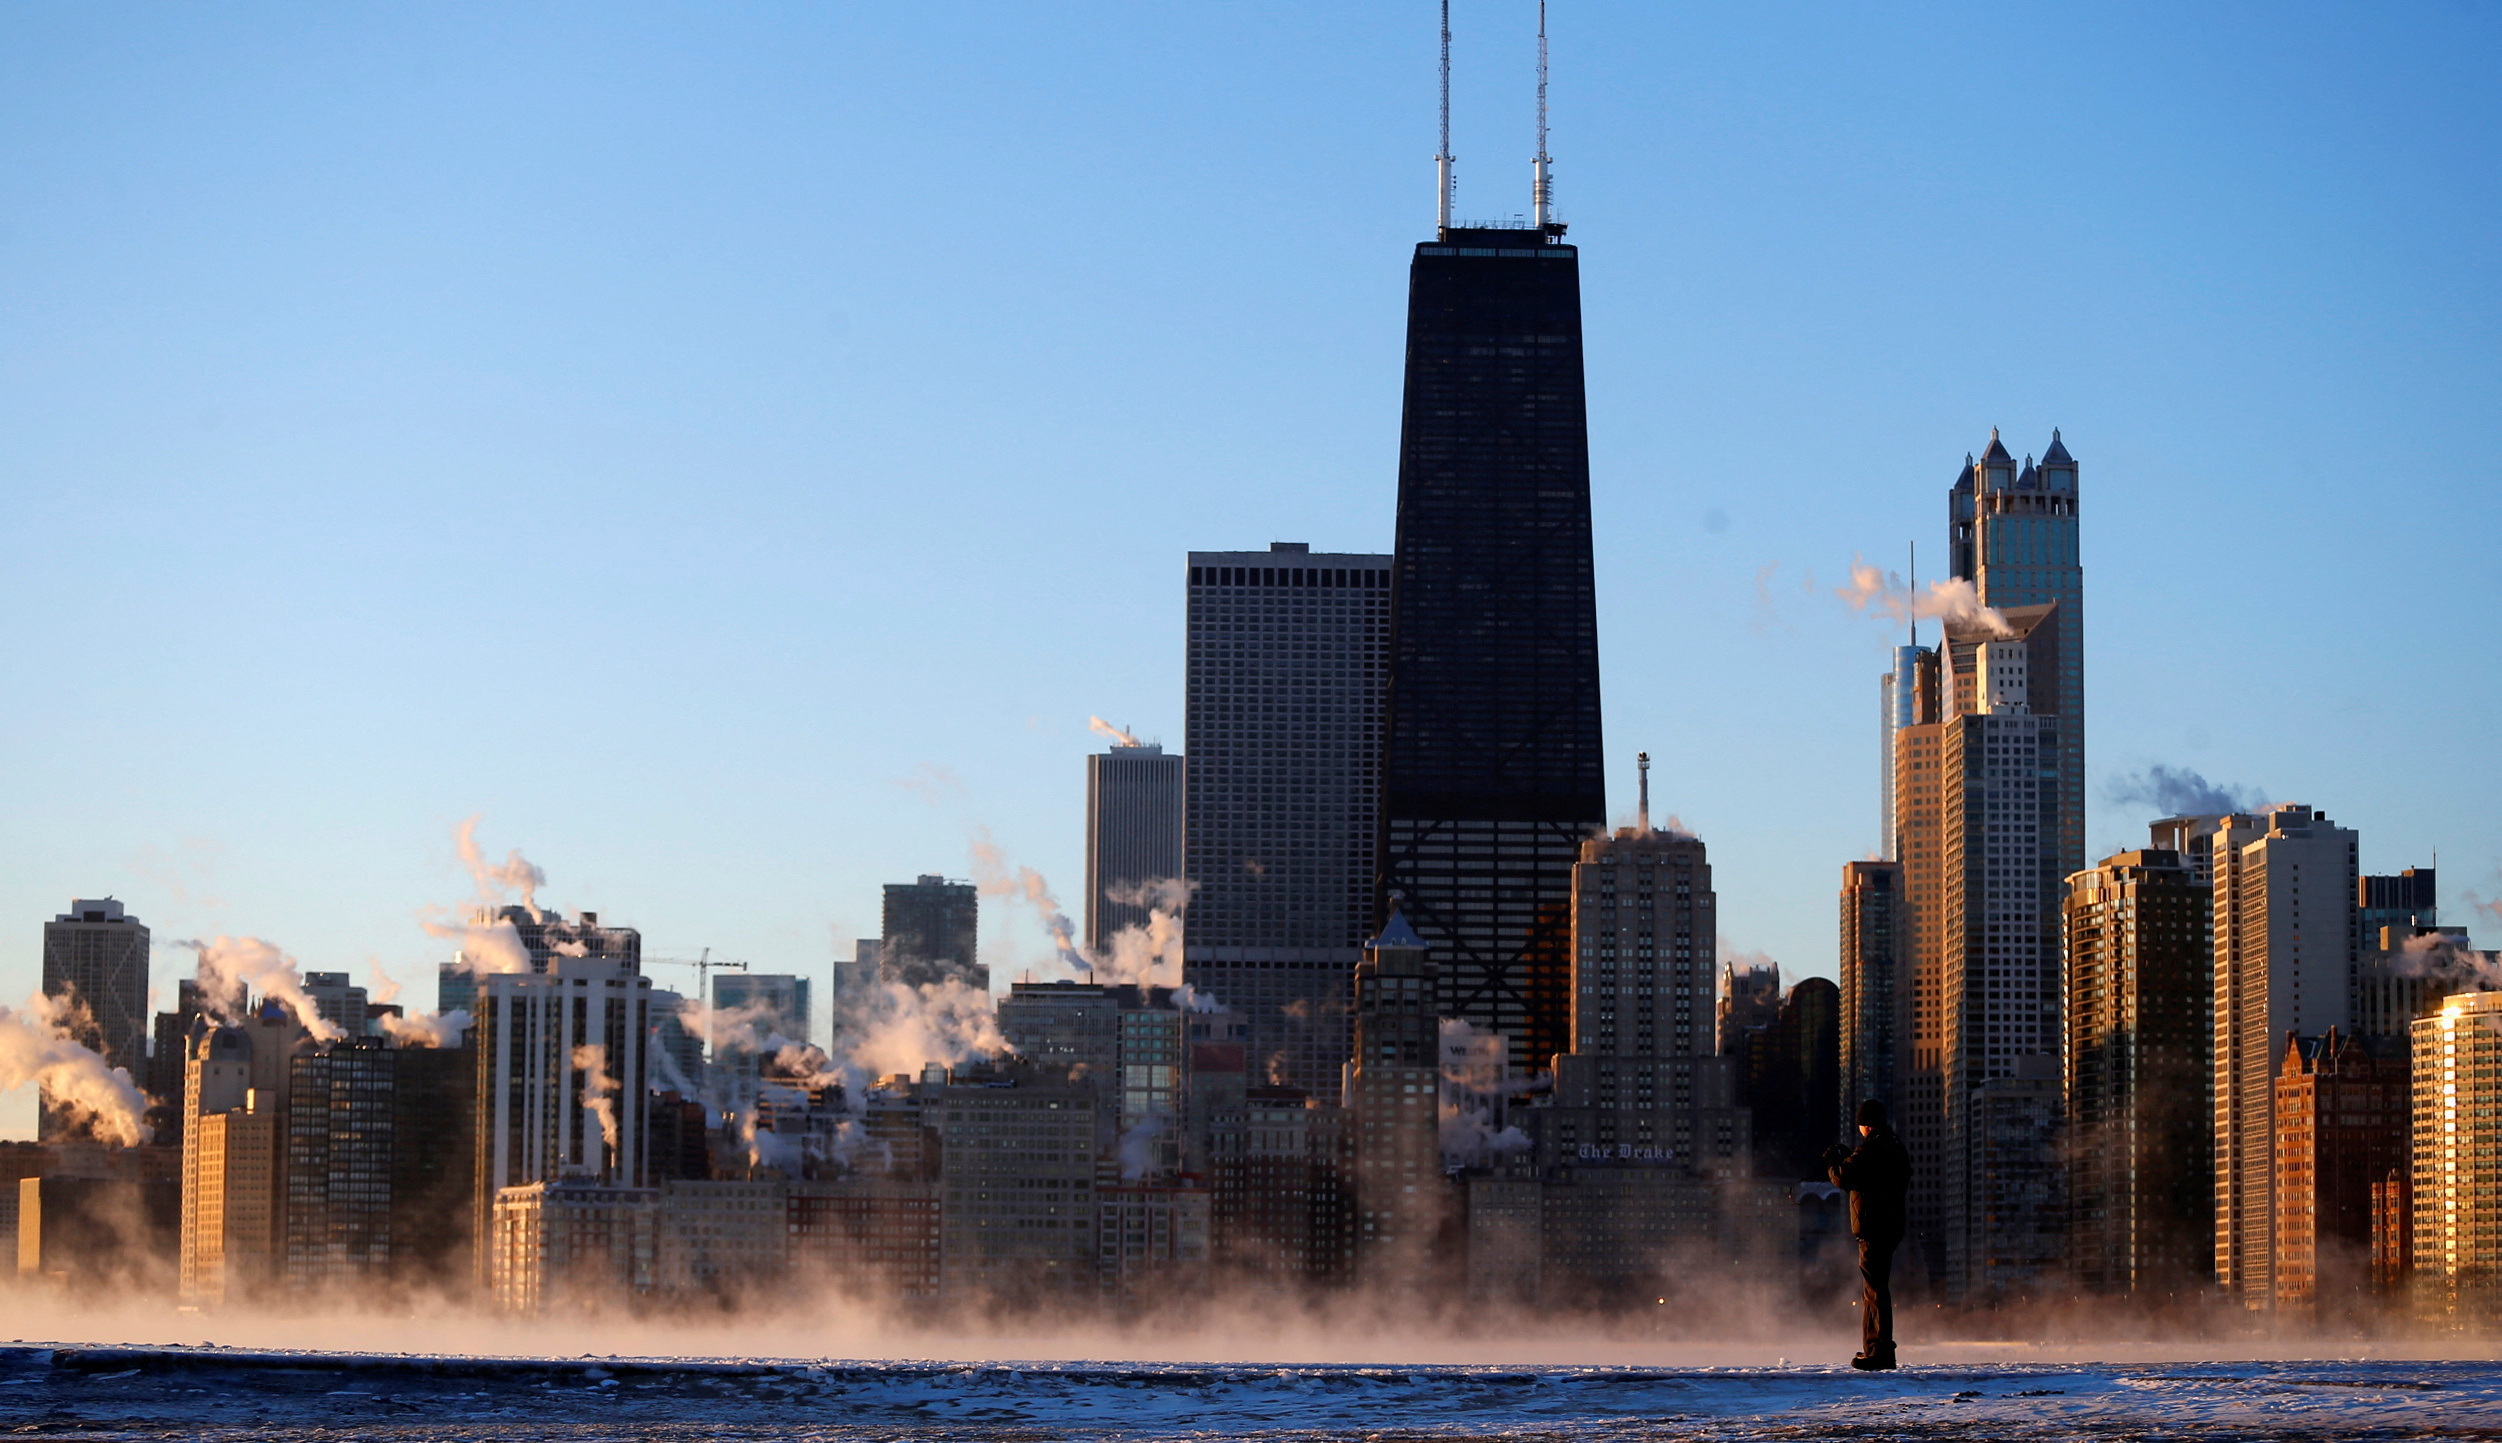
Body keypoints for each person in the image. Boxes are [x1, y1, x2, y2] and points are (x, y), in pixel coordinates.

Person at [1822, 1098, 1912, 1371]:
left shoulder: (1874, 1147)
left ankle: (1880, 1351)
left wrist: (1834, 1160)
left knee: (1874, 1289)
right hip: (1891, 1225)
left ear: (1866, 1124)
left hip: (1874, 1227)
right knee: (1875, 1288)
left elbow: (1843, 1177)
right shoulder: (1894, 1146)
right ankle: (1875, 1348)